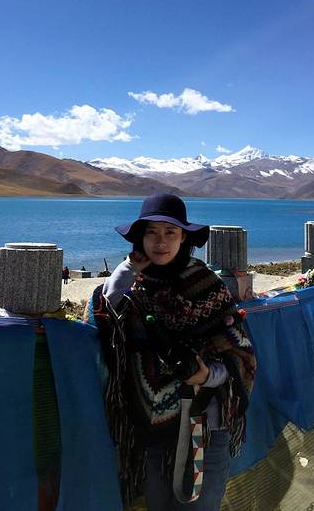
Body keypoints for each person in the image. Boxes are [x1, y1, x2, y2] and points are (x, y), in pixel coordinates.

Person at [90, 193, 256, 510]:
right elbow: (105, 312)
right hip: (150, 431)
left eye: (170, 232)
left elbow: (239, 352)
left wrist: (206, 375)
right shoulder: (136, 286)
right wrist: (129, 267)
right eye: (151, 232)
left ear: (183, 238)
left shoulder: (205, 284)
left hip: (204, 428)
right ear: (140, 238)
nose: (160, 242)